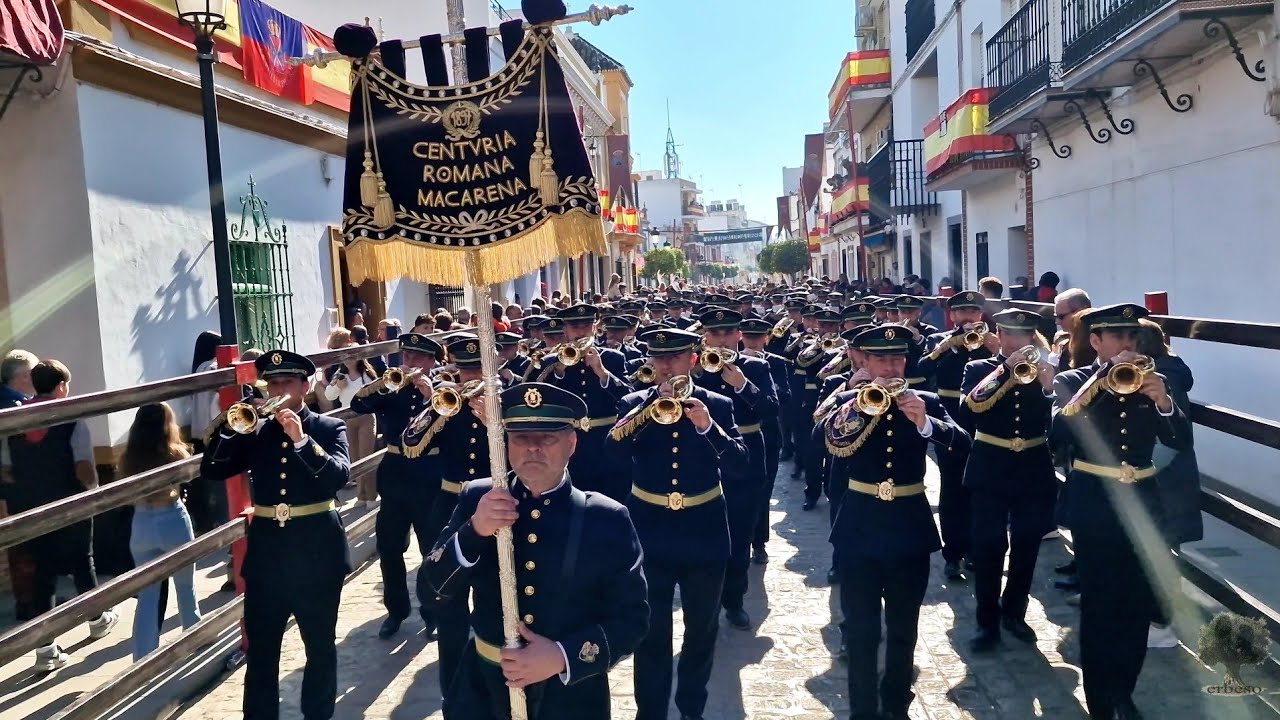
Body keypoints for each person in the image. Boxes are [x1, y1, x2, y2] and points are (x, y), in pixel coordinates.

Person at [423, 383, 649, 720]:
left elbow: (632, 620)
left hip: (570, 696)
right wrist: (475, 531)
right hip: (484, 688)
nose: (532, 449)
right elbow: (431, 593)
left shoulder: (605, 517)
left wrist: (563, 656)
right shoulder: (478, 500)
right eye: (520, 439)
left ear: (571, 443)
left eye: (547, 439)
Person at [1050, 304, 1191, 720]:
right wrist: (1100, 379)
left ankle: (1123, 693)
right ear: (1095, 341)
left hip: (1143, 502)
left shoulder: (1154, 379)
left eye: (1132, 338)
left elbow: (1181, 440)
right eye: (1117, 337)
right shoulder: (1073, 380)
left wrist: (1164, 401)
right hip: (1096, 502)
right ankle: (1099, 701)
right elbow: (1058, 430)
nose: (1127, 346)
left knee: (1135, 606)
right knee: (1100, 606)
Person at [822, 325, 968, 720]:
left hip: (909, 527)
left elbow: (962, 444)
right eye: (881, 359)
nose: (890, 366)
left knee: (905, 628)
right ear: (864, 361)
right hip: (860, 527)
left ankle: (896, 702)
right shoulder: (849, 400)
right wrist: (856, 401)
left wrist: (927, 425)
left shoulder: (926, 401)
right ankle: (863, 710)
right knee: (862, 630)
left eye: (896, 358)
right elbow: (827, 436)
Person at [200, 350, 351, 720]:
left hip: (318, 555)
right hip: (268, 557)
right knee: (262, 651)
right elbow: (213, 470)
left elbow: (339, 477)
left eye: (287, 382)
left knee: (319, 647)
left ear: (305, 385)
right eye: (273, 383)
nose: (279, 389)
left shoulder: (328, 429)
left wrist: (301, 441)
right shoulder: (256, 432)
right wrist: (231, 429)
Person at [608, 327, 748, 720]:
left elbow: (739, 465)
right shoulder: (634, 403)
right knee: (649, 630)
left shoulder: (716, 404)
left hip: (703, 530)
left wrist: (708, 427)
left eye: (675, 358)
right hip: (650, 532)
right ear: (651, 361)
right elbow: (611, 453)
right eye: (660, 358)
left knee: (701, 629)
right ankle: (650, 711)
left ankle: (691, 707)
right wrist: (645, 412)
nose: (667, 366)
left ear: (692, 359)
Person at [402, 334, 508, 701]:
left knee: (499, 597)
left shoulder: (512, 398)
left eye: (477, 367)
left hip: (500, 506)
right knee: (449, 606)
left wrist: (499, 418)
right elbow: (411, 445)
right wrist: (437, 405)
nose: (470, 375)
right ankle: (453, 693)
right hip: (451, 507)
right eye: (464, 368)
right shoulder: (447, 404)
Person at [3, 359, 120, 671]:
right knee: (83, 560)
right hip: (71, 503)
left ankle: (45, 649)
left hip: (31, 510)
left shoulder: (14, 420)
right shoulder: (71, 418)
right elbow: (83, 466)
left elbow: (6, 470)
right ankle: (97, 618)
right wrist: (94, 491)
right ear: (61, 387)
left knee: (43, 574)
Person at [958, 310, 1057, 653]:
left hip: (1032, 465)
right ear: (998, 335)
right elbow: (968, 411)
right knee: (989, 544)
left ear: (1032, 337)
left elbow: (1060, 424)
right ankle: (987, 622)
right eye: (1011, 335)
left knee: (1028, 543)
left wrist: (1048, 390)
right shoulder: (978, 369)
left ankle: (1014, 612)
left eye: (1024, 335)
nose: (1018, 342)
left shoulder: (1046, 370)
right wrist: (1004, 371)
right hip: (990, 465)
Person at [350, 333, 446, 640]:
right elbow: (358, 404)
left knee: (431, 548)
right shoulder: (391, 387)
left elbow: (453, 430)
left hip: (430, 475)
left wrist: (431, 397)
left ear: (432, 361)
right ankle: (396, 611)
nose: (411, 363)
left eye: (418, 358)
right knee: (389, 548)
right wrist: (385, 383)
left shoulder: (445, 390)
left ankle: (432, 612)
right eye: (407, 356)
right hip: (394, 474)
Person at [692, 307, 778, 630]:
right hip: (706, 456)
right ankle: (708, 602)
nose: (722, 340)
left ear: (739, 335)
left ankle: (735, 600)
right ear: (705, 337)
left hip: (747, 457)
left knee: (740, 533)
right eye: (715, 334)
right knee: (706, 533)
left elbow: (772, 410)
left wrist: (743, 385)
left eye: (728, 333)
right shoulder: (697, 372)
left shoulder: (756, 367)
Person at [916, 292, 1001, 579]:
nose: (967, 318)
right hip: (950, 416)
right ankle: (953, 553)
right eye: (961, 312)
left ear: (980, 315)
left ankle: (977, 550)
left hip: (984, 421)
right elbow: (921, 368)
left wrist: (996, 350)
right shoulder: (938, 340)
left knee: (980, 489)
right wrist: (946, 346)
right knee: (952, 487)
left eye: (972, 312)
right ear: (952, 315)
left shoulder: (993, 341)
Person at [1137, 318, 1201, 650]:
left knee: (1162, 552)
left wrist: (1138, 471)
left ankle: (1162, 625)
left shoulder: (1164, 379)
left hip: (1164, 481)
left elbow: (1171, 441)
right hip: (1168, 480)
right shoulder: (1168, 372)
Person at [123, 402, 202, 660]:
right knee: (185, 586)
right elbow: (190, 476)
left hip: (141, 521)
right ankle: (195, 638)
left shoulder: (128, 457)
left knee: (147, 595)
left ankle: (143, 654)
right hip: (172, 517)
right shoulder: (175, 452)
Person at [0, 349, 38, 621]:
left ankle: (30, 598)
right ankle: (30, 602)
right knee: (26, 546)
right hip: (17, 487)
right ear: (23, 376)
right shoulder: (17, 408)